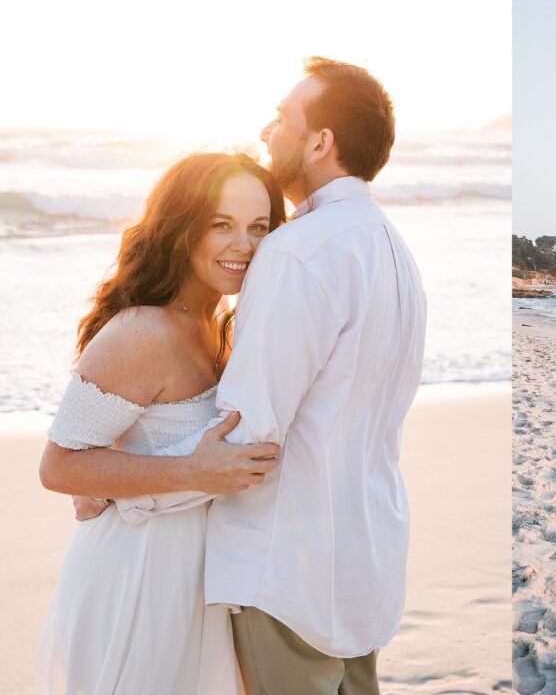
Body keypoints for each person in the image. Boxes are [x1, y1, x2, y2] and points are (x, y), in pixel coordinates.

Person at [111, 58, 427, 693]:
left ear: (319, 142)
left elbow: (246, 436)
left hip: (289, 571)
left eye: (282, 118)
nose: (267, 129)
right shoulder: (394, 249)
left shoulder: (294, 253)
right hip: (368, 559)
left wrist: (125, 490)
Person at [35, 152, 287, 694]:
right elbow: (59, 467)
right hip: (139, 574)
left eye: (259, 227)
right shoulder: (143, 332)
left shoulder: (216, 321)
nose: (244, 244)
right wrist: (194, 469)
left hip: (199, 573)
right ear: (181, 228)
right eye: (221, 224)